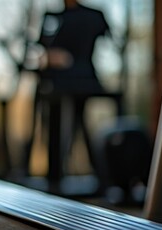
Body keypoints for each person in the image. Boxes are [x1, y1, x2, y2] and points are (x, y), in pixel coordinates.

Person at [33, 0, 112, 194]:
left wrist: (68, 59)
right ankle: (56, 175)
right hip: (56, 82)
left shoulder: (92, 15)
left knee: (79, 123)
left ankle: (98, 174)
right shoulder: (53, 17)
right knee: (61, 123)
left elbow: (109, 40)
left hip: (82, 79)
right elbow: (43, 48)